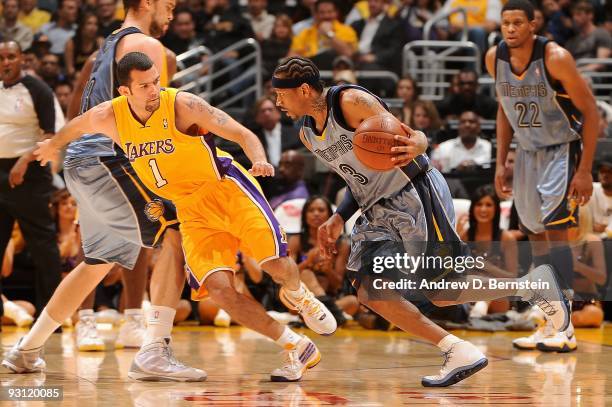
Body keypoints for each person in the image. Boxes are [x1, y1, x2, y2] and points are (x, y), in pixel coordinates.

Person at [34, 51, 337, 382]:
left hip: (225, 189)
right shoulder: (110, 115)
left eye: (156, 82)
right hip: (190, 210)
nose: (154, 90)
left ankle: (299, 295)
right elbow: (75, 127)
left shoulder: (182, 104)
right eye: (145, 86)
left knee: (275, 266)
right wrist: (53, 146)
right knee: (220, 291)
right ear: (125, 91)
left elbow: (241, 133)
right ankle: (295, 345)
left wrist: (260, 158)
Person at [272, 55, 570, 387]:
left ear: (302, 89)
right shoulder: (307, 135)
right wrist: (337, 217)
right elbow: (358, 179)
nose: (277, 102)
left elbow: (409, 139)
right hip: (376, 209)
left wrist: (422, 141)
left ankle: (530, 286)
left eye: (280, 94)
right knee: (370, 291)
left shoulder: (350, 101)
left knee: (441, 291)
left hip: (415, 193)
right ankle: (456, 349)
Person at [2, 0, 204, 382]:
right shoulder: (148, 47)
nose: (172, 12)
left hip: (84, 162)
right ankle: (154, 351)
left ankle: (26, 349)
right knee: (180, 229)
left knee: (99, 261)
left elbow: (84, 106)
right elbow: (154, 121)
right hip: (109, 159)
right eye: (169, 5)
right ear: (148, 3)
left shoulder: (109, 43)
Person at [486, 0, 599, 352]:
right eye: (506, 22)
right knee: (535, 234)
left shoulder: (556, 57)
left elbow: (592, 115)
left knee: (555, 232)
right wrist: (501, 161)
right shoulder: (494, 58)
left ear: (533, 25)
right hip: (527, 153)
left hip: (562, 150)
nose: (510, 29)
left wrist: (584, 171)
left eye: (518, 22)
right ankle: (549, 320)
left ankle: (566, 328)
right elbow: (504, 112)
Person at [0, 41, 63, 317]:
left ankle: (52, 315)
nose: (5, 63)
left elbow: (51, 135)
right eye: (1, 58)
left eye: (10, 57)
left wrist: (24, 162)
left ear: (22, 59)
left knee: (43, 247)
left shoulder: (37, 89)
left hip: (29, 174)